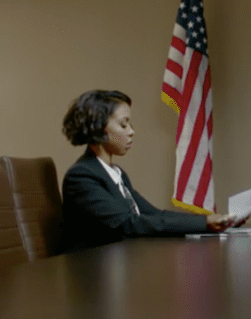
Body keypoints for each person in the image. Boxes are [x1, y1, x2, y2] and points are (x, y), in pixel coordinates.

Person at [60, 89, 235, 252]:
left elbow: (154, 215)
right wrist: (204, 222)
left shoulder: (116, 173)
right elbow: (128, 223)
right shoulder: (81, 176)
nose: (131, 132)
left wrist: (206, 221)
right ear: (99, 127)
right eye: (123, 125)